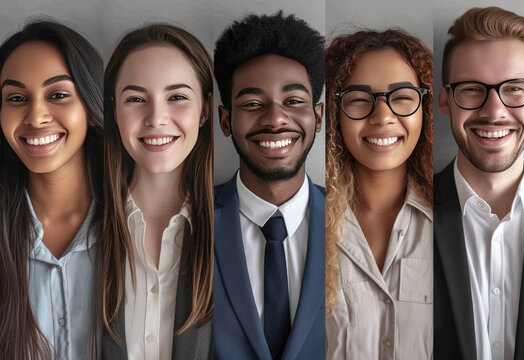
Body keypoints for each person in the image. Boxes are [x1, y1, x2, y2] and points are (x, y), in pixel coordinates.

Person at [213, 11, 325, 360]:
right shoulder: (187, 222)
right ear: (225, 120)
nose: (275, 118)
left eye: (293, 101)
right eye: (252, 103)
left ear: (318, 117)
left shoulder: (356, 221)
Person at [101, 24, 213, 359]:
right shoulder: (84, 224)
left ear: (205, 110)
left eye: (177, 97)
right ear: (114, 113)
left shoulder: (235, 227)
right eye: (136, 99)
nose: (156, 118)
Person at [435, 7, 524, 359]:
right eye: (472, 89)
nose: (494, 111)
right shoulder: (403, 212)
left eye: (514, 89)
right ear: (445, 100)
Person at [325, 29, 433, 359]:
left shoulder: (454, 219)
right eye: (359, 98)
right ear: (334, 113)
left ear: (425, 108)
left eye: (402, 97)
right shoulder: (308, 223)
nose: (383, 116)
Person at [0, 20, 104, 359]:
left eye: (57, 94)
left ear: (90, 107)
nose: (36, 115)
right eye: (16, 98)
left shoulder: (141, 226)